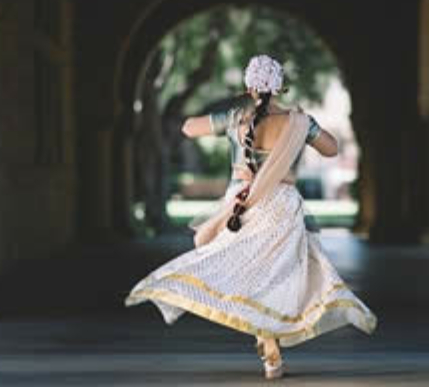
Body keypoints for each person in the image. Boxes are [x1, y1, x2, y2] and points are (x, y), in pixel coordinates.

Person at [124, 54, 378, 380]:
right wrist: (308, 126)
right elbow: (331, 149)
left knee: (246, 274)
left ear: (248, 86)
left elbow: (188, 128)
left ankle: (267, 343)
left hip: (240, 207)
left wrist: (227, 115)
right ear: (281, 87)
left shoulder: (236, 119)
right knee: (274, 278)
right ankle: (271, 348)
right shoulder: (296, 122)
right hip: (282, 207)